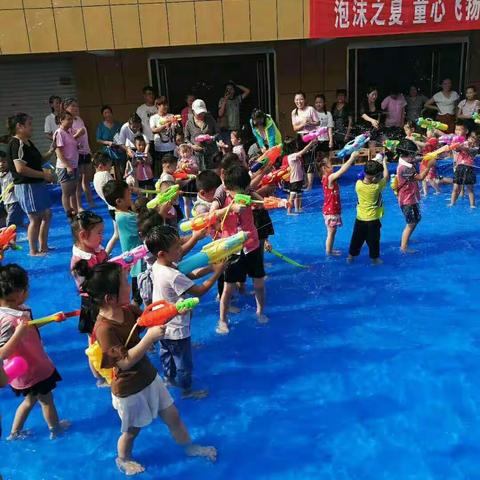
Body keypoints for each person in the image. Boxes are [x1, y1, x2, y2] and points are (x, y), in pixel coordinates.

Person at [74, 261, 217, 476]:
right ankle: (123, 459)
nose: (128, 286)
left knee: (173, 416)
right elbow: (123, 362)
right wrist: (149, 338)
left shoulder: (129, 310)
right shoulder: (104, 328)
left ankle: (189, 447)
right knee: (131, 432)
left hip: (149, 378)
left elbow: (148, 320)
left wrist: (173, 312)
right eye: (124, 283)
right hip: (128, 389)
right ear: (109, 298)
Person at [146, 225, 224, 398]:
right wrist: (217, 273)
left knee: (166, 353)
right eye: (176, 248)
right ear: (162, 253)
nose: (181, 249)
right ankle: (187, 391)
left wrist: (210, 268)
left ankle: (168, 378)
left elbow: (189, 276)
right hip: (177, 329)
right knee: (184, 363)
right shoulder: (171, 274)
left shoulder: (157, 266)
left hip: (160, 324)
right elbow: (199, 291)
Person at [0, 264, 69, 440]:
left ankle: (14, 433)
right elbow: (3, 353)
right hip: (31, 369)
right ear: (17, 292)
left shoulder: (19, 309)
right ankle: (56, 429)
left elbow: (30, 327)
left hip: (31, 366)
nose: (29, 290)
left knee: (30, 400)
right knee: (47, 401)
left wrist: (51, 319)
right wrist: (18, 332)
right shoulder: (7, 320)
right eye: (27, 287)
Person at [211, 165, 267, 333]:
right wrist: (230, 209)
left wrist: (252, 195)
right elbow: (211, 215)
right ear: (228, 188)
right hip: (232, 247)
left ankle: (260, 311)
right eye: (238, 190)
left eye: (245, 188)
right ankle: (222, 319)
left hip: (252, 245)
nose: (242, 192)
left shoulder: (247, 194)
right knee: (228, 287)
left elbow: (262, 204)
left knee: (259, 283)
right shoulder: (222, 198)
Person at [69, 211, 109, 386]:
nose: (102, 236)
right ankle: (99, 377)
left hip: (104, 300)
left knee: (106, 335)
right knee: (94, 341)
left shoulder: (96, 250)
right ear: (83, 235)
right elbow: (89, 287)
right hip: (92, 304)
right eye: (99, 233)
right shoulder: (80, 263)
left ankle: (108, 368)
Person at [6, 113, 55, 256]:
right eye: (29, 125)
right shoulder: (16, 143)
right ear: (19, 127)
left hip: (37, 184)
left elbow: (38, 161)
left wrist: (52, 150)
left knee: (47, 214)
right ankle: (33, 250)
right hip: (27, 186)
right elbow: (20, 169)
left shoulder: (28, 142)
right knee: (35, 218)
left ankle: (44, 246)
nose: (31, 128)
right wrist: (44, 175)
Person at [103, 180, 144, 305]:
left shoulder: (124, 213)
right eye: (128, 195)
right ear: (119, 201)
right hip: (138, 263)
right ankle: (134, 319)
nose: (130, 198)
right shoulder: (125, 218)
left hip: (137, 261)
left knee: (141, 294)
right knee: (138, 298)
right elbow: (145, 223)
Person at [395, 139, 437, 252]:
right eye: (412, 154)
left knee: (416, 219)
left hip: (412, 197)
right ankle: (403, 247)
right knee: (411, 223)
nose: (414, 157)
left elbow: (416, 159)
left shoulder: (405, 161)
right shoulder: (404, 168)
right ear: (407, 154)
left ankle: (407, 238)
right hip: (406, 200)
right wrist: (429, 166)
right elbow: (420, 178)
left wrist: (426, 157)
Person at [347, 157, 389, 265]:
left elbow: (364, 175)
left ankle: (351, 257)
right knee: (373, 241)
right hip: (373, 221)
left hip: (360, 219)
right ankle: (374, 259)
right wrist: (384, 162)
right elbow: (387, 177)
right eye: (379, 176)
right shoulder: (377, 187)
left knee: (356, 239)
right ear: (375, 178)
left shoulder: (358, 185)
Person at [320, 152, 358, 256]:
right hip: (331, 211)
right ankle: (329, 252)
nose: (332, 166)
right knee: (331, 233)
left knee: (332, 232)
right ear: (324, 168)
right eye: (329, 165)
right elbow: (342, 171)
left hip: (330, 209)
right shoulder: (329, 177)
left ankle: (329, 250)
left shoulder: (326, 177)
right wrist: (352, 158)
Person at [63, 98, 95, 210]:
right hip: (77, 153)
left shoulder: (79, 119)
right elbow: (67, 140)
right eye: (73, 106)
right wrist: (77, 135)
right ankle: (79, 205)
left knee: (86, 178)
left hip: (85, 151)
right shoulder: (67, 122)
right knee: (77, 181)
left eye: (76, 106)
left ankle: (90, 201)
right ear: (66, 108)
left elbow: (85, 137)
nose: (76, 108)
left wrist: (89, 149)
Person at [291, 92, 319, 190]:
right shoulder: (294, 112)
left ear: (305, 99)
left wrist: (310, 122)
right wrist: (303, 124)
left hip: (310, 136)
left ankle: (310, 185)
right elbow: (295, 128)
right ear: (294, 101)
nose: (299, 101)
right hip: (299, 137)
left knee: (309, 160)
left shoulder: (310, 109)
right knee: (301, 159)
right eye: (297, 100)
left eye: (301, 99)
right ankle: (305, 182)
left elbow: (318, 122)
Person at [93, 152, 119, 253]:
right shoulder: (105, 174)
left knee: (116, 235)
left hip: (111, 208)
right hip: (117, 207)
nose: (110, 167)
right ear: (101, 166)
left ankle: (105, 254)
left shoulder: (95, 177)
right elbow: (114, 188)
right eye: (109, 165)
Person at [54, 111, 79, 215]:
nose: (70, 121)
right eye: (68, 119)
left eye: (71, 119)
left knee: (73, 192)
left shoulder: (68, 132)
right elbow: (58, 151)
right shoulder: (59, 132)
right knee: (66, 193)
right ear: (61, 120)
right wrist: (67, 166)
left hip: (74, 165)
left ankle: (76, 213)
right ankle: (69, 214)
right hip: (65, 167)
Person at [283, 137, 316, 215]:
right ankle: (289, 211)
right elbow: (303, 151)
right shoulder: (291, 156)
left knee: (298, 194)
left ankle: (297, 209)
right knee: (292, 196)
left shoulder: (294, 156)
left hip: (298, 179)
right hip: (294, 180)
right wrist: (310, 143)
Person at [184, 99, 219, 170]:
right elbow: (186, 139)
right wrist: (192, 146)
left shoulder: (210, 119)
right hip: (197, 156)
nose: (201, 115)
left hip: (211, 153)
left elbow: (218, 133)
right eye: (199, 113)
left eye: (203, 113)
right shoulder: (189, 123)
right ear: (193, 111)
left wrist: (212, 138)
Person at [449, 121, 476, 208]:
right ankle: (452, 203)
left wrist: (458, 146)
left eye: (460, 130)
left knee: (470, 188)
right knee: (456, 187)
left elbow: (466, 148)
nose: (457, 131)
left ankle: (472, 205)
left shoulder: (468, 141)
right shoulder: (456, 141)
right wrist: (454, 146)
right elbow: (456, 150)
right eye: (456, 129)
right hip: (459, 166)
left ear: (466, 131)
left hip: (468, 166)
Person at [150, 97, 177, 179]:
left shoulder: (171, 116)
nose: (165, 107)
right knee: (161, 171)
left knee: (172, 170)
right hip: (159, 148)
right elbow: (153, 130)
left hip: (171, 147)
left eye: (166, 104)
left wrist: (175, 122)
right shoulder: (153, 118)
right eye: (163, 105)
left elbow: (178, 130)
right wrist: (165, 126)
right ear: (158, 105)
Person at [95, 105, 125, 175]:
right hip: (107, 151)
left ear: (112, 113)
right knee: (108, 170)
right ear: (103, 115)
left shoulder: (118, 124)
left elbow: (123, 136)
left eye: (108, 112)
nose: (107, 114)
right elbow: (98, 139)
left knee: (121, 170)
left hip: (119, 150)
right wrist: (107, 142)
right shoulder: (100, 126)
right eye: (105, 113)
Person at [0, 155, 24, 227]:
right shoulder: (1, 175)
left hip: (15, 201)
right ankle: (30, 230)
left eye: (4, 162)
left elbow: (20, 180)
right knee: (17, 223)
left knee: (10, 223)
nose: (1, 164)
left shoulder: (12, 173)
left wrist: (14, 186)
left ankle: (11, 237)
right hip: (6, 202)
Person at [176, 143, 198, 218]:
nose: (185, 154)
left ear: (190, 152)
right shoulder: (180, 162)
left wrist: (190, 166)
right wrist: (180, 169)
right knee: (186, 201)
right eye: (183, 152)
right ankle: (187, 217)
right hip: (184, 182)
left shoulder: (192, 159)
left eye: (187, 152)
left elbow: (196, 169)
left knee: (195, 200)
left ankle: (197, 215)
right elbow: (177, 172)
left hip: (192, 182)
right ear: (180, 153)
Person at [136, 86, 158, 155]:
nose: (151, 96)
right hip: (146, 139)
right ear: (144, 96)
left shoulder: (158, 107)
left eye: (152, 94)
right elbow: (137, 125)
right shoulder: (140, 109)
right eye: (149, 94)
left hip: (158, 139)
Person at [313, 94, 334, 164]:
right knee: (315, 160)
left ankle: (326, 174)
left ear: (324, 103)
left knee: (326, 160)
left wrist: (331, 140)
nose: (318, 104)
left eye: (320, 102)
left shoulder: (328, 114)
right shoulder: (312, 113)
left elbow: (329, 128)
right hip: (315, 141)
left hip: (325, 140)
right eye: (316, 102)